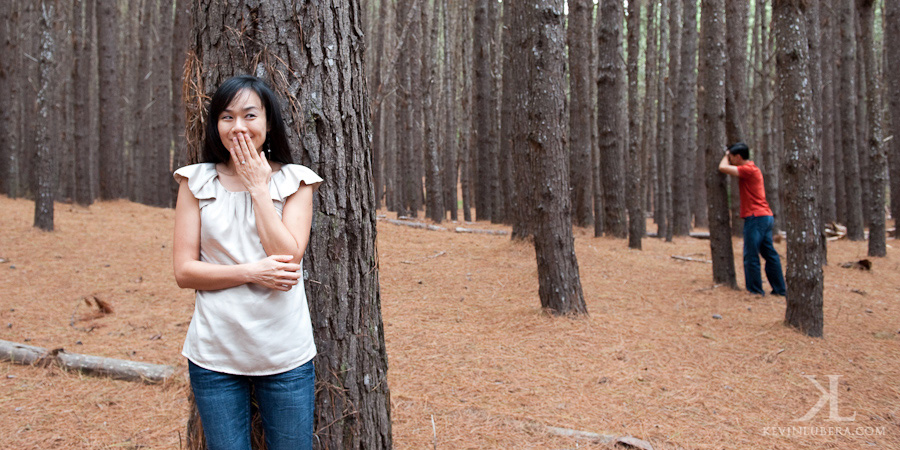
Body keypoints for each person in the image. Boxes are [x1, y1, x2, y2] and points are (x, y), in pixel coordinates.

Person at [172, 75, 322, 450]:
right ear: (216, 125)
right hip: (214, 352)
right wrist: (252, 272)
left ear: (268, 122)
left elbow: (287, 258)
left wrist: (258, 188)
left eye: (249, 115)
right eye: (227, 117)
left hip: (285, 351)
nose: (238, 127)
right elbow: (184, 271)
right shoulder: (196, 181)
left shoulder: (295, 181)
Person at [718, 142, 787, 296]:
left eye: (731, 157)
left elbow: (722, 168)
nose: (729, 160)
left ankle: (755, 290)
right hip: (764, 216)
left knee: (751, 254)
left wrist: (724, 155)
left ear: (738, 156)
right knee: (769, 254)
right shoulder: (751, 169)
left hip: (756, 217)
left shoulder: (748, 169)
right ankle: (780, 289)